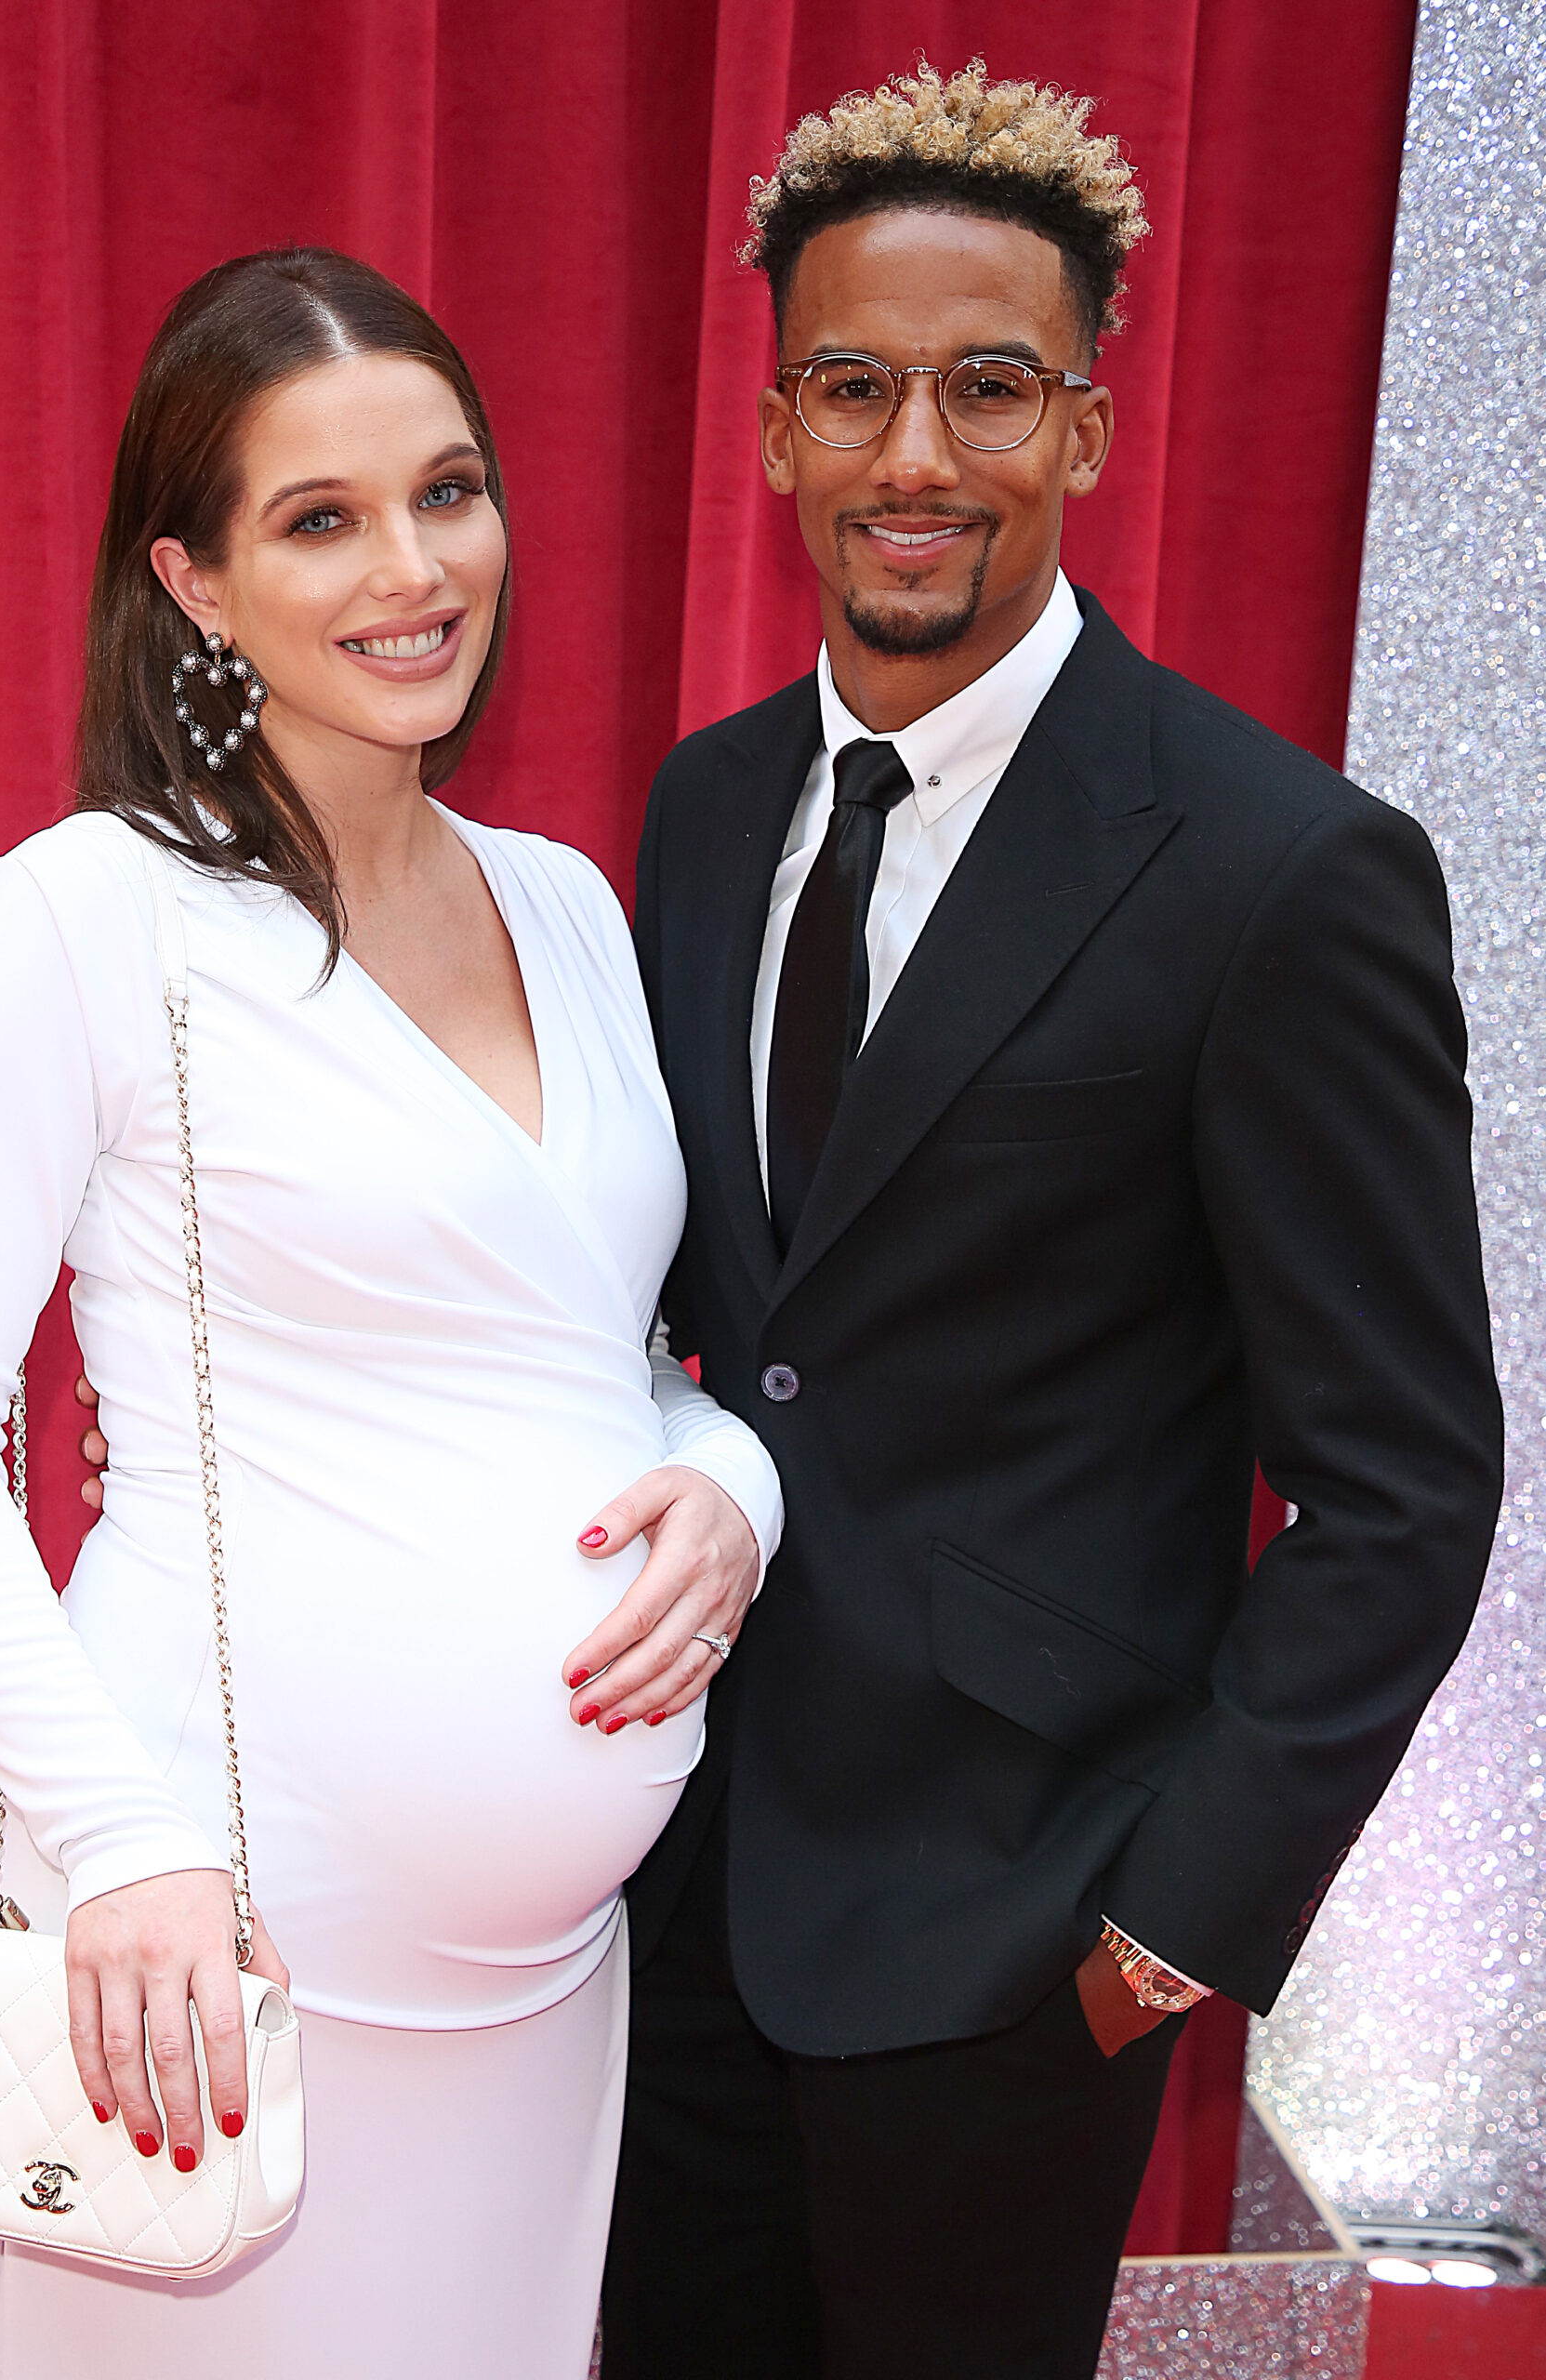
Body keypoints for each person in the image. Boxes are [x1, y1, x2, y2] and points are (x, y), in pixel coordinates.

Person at [598, 61, 1505, 2380]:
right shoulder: (700, 815)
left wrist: (1168, 1927)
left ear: (1082, 429)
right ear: (780, 426)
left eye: (987, 387)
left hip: (1020, 1938)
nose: (918, 456)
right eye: (855, 387)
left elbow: (1401, 1483)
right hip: (664, 1889)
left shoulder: (1276, 868)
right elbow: (712, 1325)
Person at [0, 247, 780, 2380]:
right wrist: (122, 1838)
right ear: (189, 577)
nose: (413, 568)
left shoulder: (568, 901)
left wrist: (734, 1492)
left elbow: (619, 1354)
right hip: (211, 1968)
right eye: (319, 518)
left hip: (548, 1990)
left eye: (447, 490)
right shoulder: (84, 914)